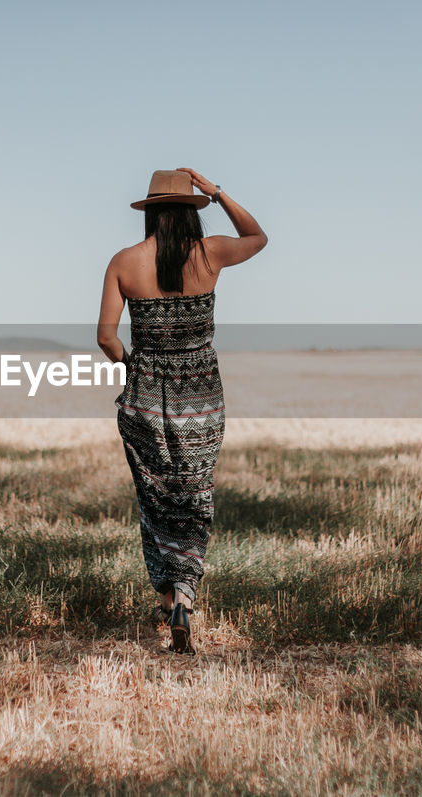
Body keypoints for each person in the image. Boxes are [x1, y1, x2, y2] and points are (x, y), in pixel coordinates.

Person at [97, 167, 268, 653]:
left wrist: (136, 366)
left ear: (149, 214)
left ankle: (169, 592)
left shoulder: (124, 262)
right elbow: (257, 236)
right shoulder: (211, 253)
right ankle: (184, 600)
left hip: (146, 395)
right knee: (194, 497)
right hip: (201, 396)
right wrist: (216, 192)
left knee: (156, 499)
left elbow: (106, 337)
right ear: (190, 212)